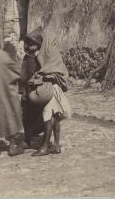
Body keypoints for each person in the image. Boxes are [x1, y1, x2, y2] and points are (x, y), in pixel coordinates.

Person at [23, 28, 71, 156]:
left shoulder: (52, 54)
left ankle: (44, 146)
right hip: (53, 88)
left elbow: (57, 72)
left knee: (47, 116)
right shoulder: (46, 54)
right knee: (54, 117)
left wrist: (43, 76)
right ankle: (56, 146)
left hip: (53, 89)